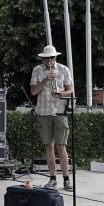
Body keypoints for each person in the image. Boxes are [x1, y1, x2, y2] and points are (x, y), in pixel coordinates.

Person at [30, 45, 74, 191]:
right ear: (43, 58)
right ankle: (53, 178)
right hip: (43, 111)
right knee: (48, 145)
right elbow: (34, 91)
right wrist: (45, 80)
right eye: (47, 57)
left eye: (52, 57)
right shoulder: (37, 70)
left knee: (62, 146)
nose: (50, 60)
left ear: (56, 57)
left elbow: (71, 90)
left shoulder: (63, 69)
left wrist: (60, 94)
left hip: (59, 110)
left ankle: (66, 178)